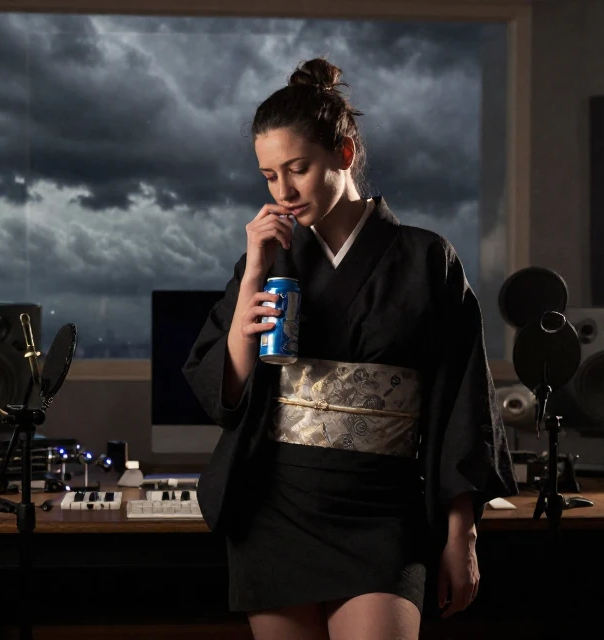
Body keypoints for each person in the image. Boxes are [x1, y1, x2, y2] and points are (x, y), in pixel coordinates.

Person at [182, 57, 517, 640]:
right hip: (276, 511)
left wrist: (461, 535)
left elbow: (464, 402)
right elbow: (225, 395)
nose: (283, 192)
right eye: (268, 176)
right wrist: (250, 287)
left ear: (345, 152)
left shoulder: (427, 259)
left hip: (381, 512)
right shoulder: (267, 258)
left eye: (298, 169)